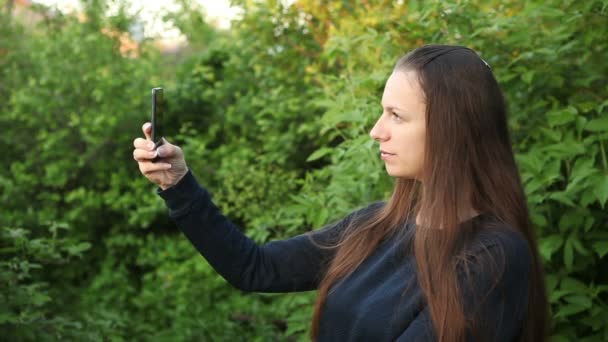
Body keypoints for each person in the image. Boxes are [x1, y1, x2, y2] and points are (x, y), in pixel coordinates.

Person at [133, 44, 549, 342]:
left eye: (397, 116)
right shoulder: (376, 226)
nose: (376, 130)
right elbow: (254, 266)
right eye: (382, 111)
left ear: (453, 130)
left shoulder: (492, 257)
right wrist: (177, 183)